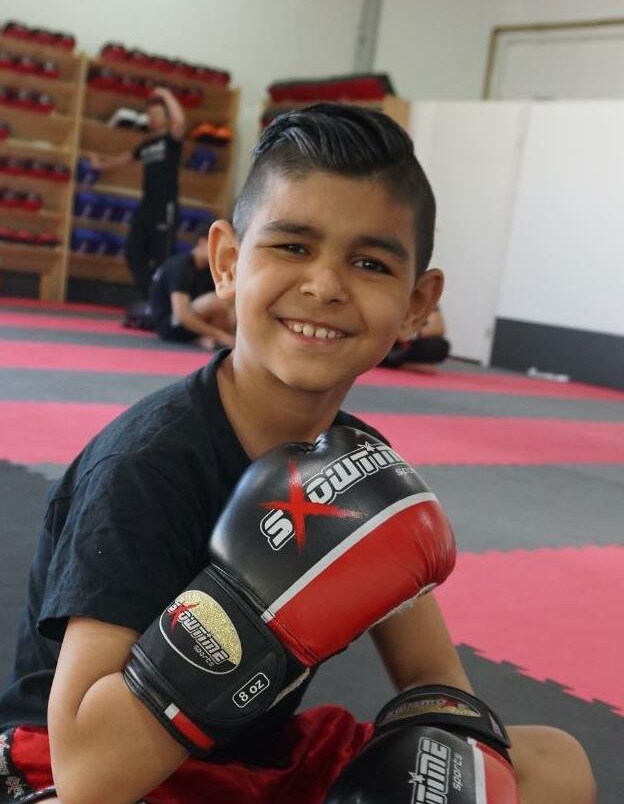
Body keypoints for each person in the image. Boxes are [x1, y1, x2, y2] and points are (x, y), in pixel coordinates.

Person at [0, 105, 595, 804]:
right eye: (291, 246)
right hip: (80, 765)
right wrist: (258, 603)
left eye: (370, 263)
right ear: (227, 263)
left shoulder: (358, 469)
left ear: (416, 304)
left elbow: (436, 684)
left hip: (252, 764)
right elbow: (88, 773)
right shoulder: (147, 467)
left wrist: (448, 763)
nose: (325, 285)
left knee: (552, 765)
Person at [90, 87, 185, 299]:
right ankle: (151, 296)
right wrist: (101, 165)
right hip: (147, 206)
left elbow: (179, 121)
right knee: (133, 253)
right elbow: (125, 158)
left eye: (157, 114)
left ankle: (159, 302)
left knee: (162, 258)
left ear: (166, 118)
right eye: (150, 115)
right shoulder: (147, 145)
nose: (152, 118)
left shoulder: (172, 140)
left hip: (165, 207)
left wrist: (167, 95)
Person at [149, 222, 236, 350]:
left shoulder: (206, 268)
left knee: (227, 300)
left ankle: (214, 339)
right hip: (170, 324)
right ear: (202, 243)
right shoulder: (180, 267)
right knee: (216, 300)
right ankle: (220, 339)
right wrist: (220, 334)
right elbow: (182, 314)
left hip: (189, 320)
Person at [381, 303, 450, 372]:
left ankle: (398, 363)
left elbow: (438, 328)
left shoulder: (426, 299)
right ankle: (396, 363)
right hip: (387, 340)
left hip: (408, 343)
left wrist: (411, 332)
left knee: (440, 346)